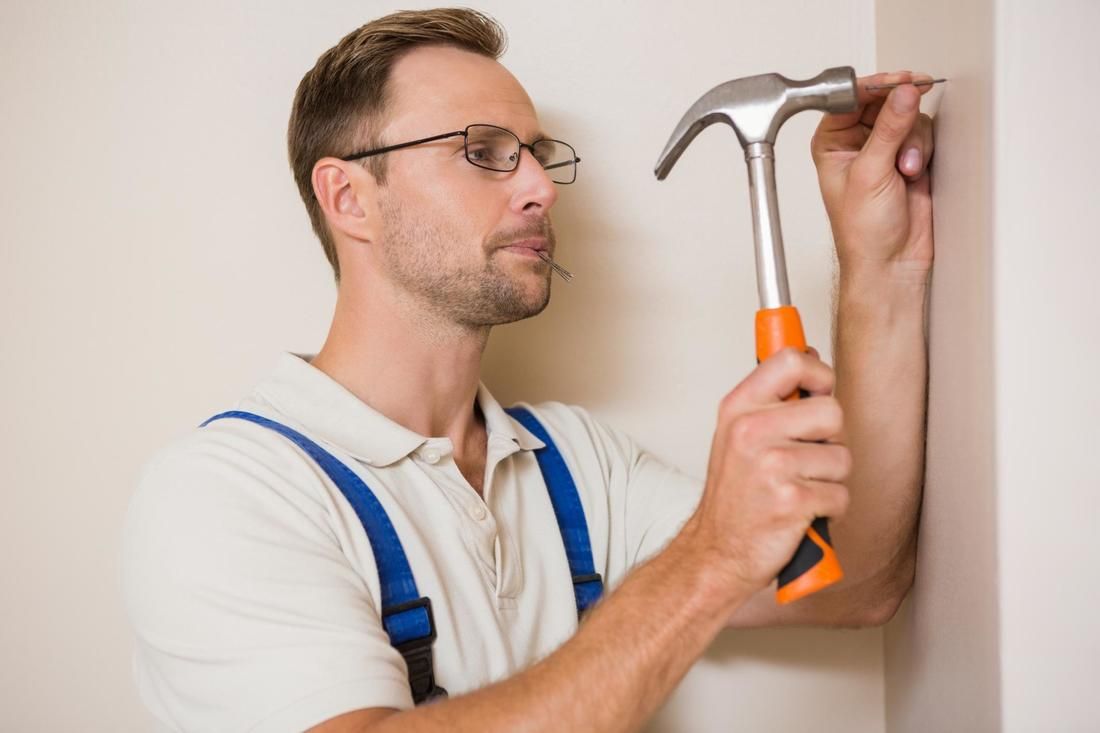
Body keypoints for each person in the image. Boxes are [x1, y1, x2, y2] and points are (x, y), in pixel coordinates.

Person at [122, 7, 936, 732]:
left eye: (539, 154)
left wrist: (880, 264)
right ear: (347, 198)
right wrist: (712, 555)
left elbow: (855, 579)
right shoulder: (228, 491)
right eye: (485, 151)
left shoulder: (577, 467)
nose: (543, 188)